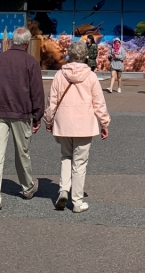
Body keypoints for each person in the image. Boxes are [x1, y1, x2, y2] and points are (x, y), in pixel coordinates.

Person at [0, 27, 44, 215]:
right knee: (22, 152)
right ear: (26, 43)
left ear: (11, 41)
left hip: (0, 110)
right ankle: (27, 187)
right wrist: (37, 116)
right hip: (22, 112)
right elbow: (37, 92)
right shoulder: (31, 62)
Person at [45, 40, 110, 213]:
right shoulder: (90, 76)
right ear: (85, 56)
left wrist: (48, 121)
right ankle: (77, 201)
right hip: (84, 124)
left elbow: (52, 101)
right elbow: (99, 103)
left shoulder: (60, 75)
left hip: (63, 123)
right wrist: (104, 123)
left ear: (70, 55)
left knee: (66, 157)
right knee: (80, 163)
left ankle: (63, 190)